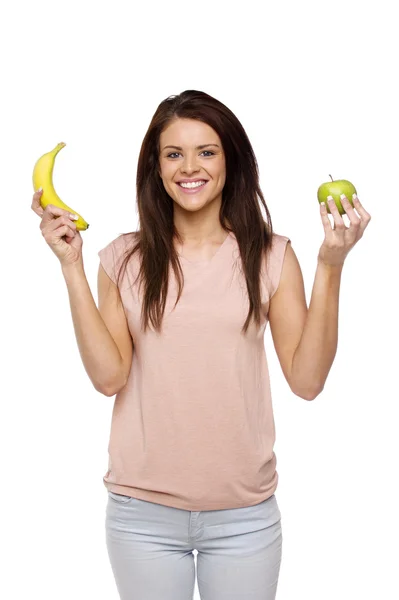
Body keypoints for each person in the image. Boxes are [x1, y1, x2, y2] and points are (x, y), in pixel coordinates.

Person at [31, 90, 371, 600]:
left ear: (230, 161)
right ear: (156, 166)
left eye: (207, 151)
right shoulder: (122, 258)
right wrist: (71, 266)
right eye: (174, 153)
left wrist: (331, 264)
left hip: (244, 519)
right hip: (142, 516)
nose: (190, 167)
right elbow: (108, 379)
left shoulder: (271, 256)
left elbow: (307, 380)